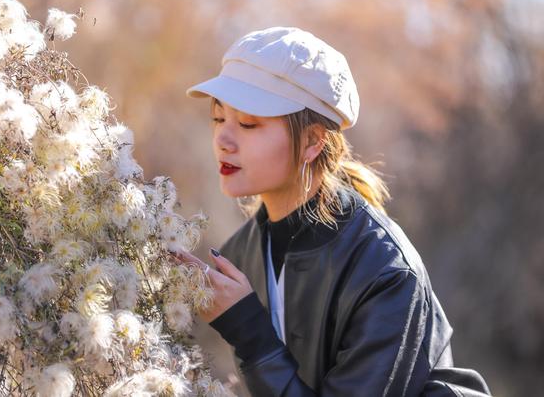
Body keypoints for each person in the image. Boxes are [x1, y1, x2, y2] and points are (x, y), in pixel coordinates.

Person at [171, 26, 491, 396]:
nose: (223, 140)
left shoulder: (384, 272)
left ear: (311, 142)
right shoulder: (239, 258)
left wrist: (248, 330)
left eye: (247, 123)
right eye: (218, 118)